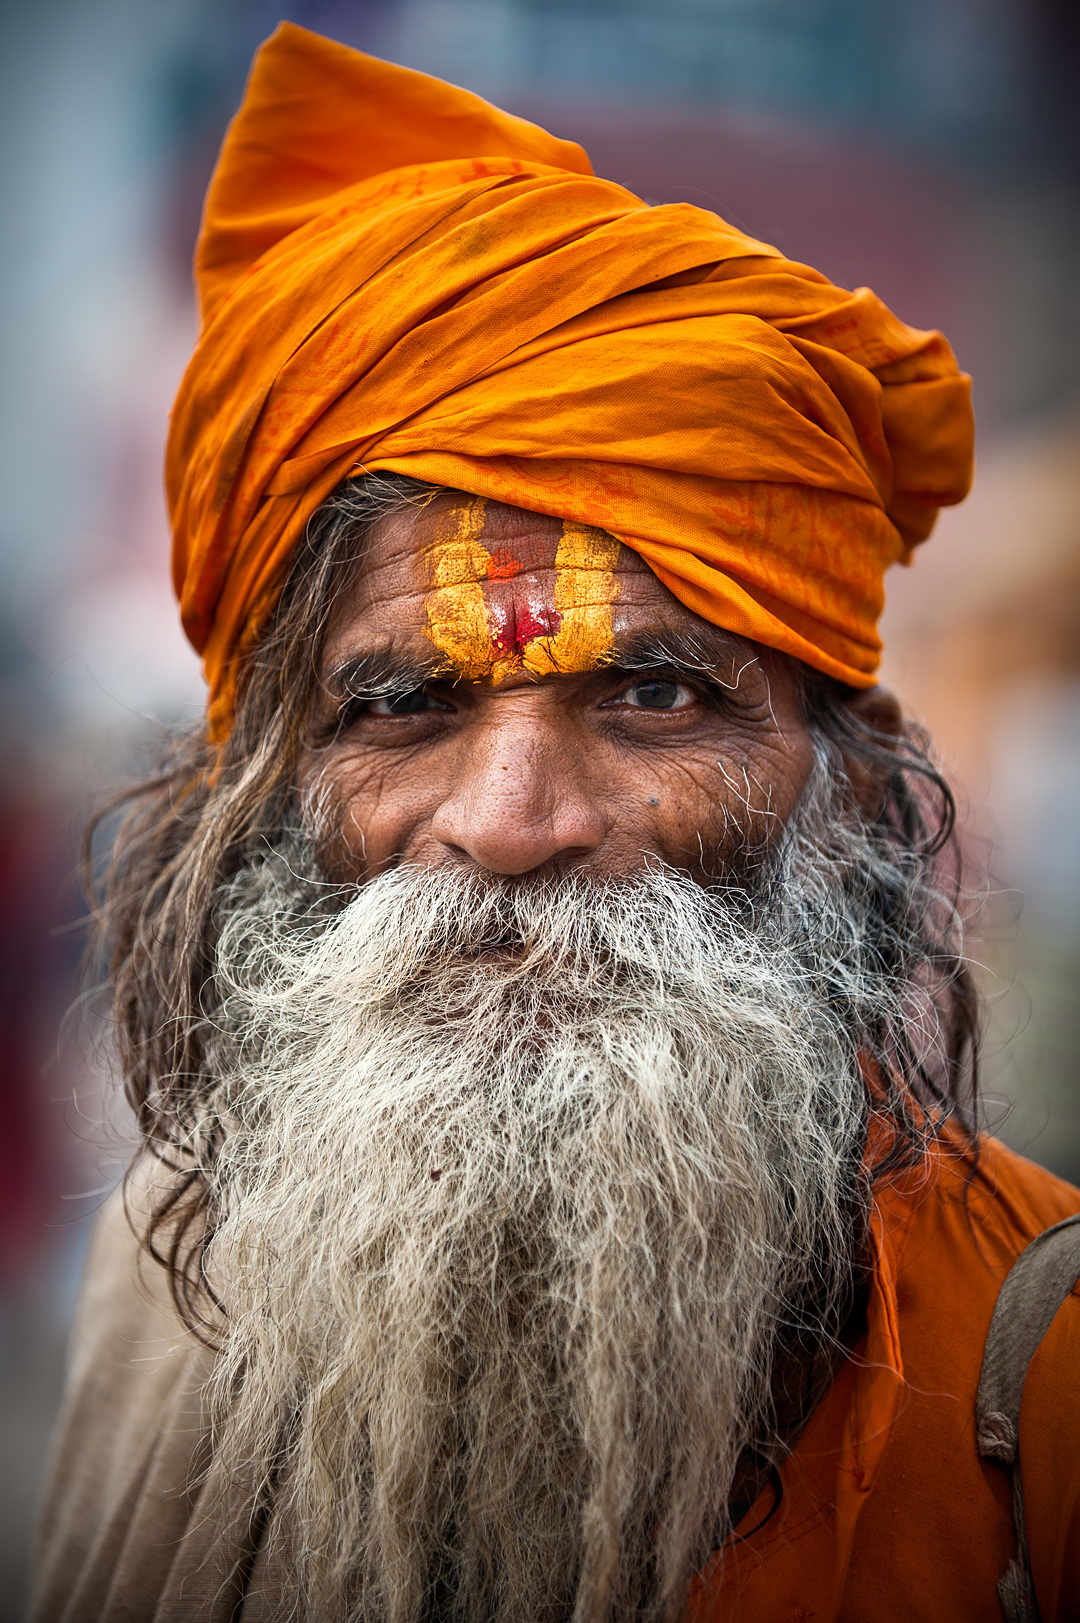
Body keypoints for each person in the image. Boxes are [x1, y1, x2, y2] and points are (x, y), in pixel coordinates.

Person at [31, 23, 1080, 1623]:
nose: (513, 821)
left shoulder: (1046, 1365)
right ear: (263, 796)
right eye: (401, 706)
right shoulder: (165, 1276)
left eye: (655, 699)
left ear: (848, 786)